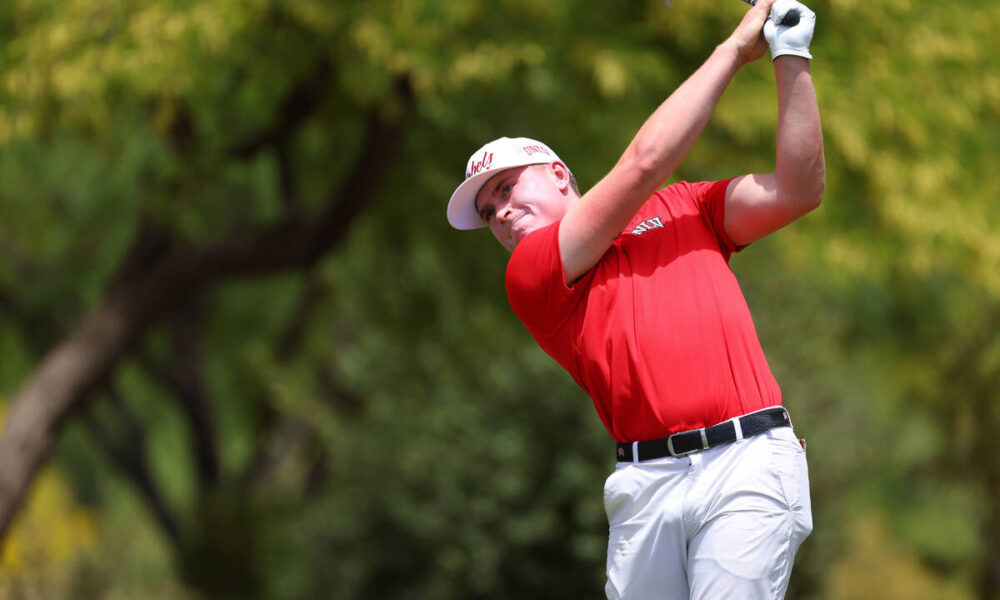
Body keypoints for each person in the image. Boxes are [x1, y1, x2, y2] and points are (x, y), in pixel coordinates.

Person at [446, 0, 823, 597]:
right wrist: (731, 50)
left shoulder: (683, 207)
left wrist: (789, 56)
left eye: (508, 188)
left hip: (746, 462)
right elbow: (646, 159)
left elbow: (798, 190)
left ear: (560, 174)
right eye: (489, 212)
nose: (502, 214)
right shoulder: (531, 275)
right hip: (646, 484)